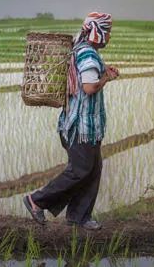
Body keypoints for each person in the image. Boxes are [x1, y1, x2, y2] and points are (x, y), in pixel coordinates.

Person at [23, 12, 119, 230]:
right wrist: (107, 78)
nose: (109, 36)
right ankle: (36, 201)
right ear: (98, 32)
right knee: (79, 170)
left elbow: (88, 79)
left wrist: (103, 72)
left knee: (92, 169)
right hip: (80, 127)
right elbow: (89, 87)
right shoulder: (87, 54)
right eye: (108, 32)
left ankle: (78, 217)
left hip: (84, 126)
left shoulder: (82, 50)